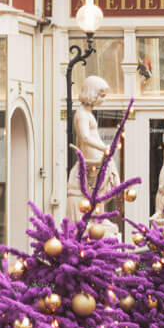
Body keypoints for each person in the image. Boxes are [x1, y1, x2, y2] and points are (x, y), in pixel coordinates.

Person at [66, 76, 120, 222]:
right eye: (101, 95)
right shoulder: (82, 114)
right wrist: (104, 148)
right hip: (91, 162)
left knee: (100, 192)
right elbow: (84, 137)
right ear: (92, 93)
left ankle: (98, 219)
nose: (103, 99)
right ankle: (96, 219)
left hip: (96, 161)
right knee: (96, 192)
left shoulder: (87, 113)